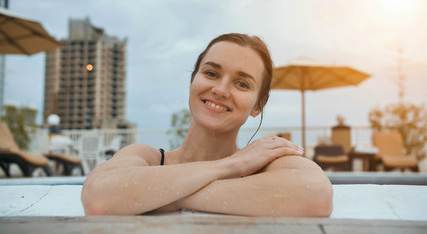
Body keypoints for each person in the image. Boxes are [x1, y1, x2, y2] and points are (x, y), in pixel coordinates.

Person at [81, 33, 333, 217]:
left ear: (258, 105)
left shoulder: (264, 165)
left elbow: (316, 197)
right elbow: (98, 199)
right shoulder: (146, 157)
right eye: (211, 73)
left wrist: (157, 195)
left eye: (241, 84)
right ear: (193, 81)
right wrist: (231, 165)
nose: (220, 90)